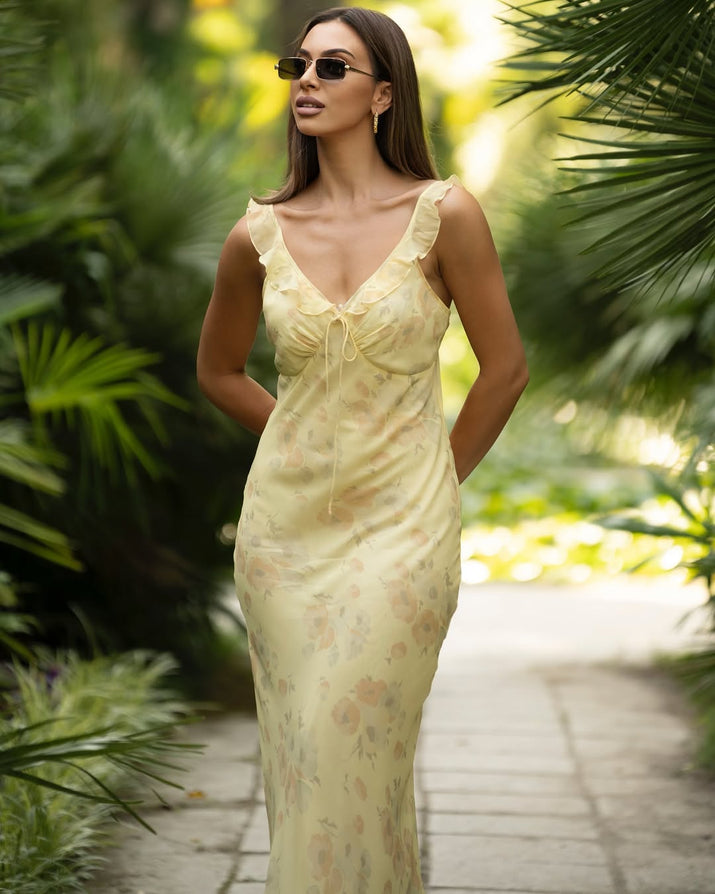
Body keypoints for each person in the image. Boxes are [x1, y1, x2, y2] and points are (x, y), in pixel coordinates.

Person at [197, 6, 528, 892]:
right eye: (296, 65)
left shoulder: (444, 215)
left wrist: (432, 476)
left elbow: (504, 370)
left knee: (350, 734)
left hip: (403, 535)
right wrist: (305, 439)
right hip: (284, 538)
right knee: (309, 754)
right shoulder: (256, 235)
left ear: (383, 95)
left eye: (331, 68)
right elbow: (219, 372)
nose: (305, 80)